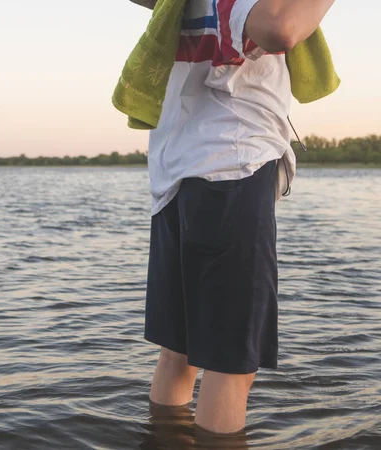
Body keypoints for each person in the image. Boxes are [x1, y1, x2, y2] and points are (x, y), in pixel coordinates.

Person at [133, 0, 337, 435]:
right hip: (233, 168)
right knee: (232, 366)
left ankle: (166, 441)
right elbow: (281, 26)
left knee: (179, 353)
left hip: (177, 172)